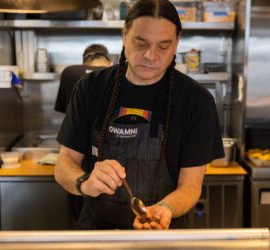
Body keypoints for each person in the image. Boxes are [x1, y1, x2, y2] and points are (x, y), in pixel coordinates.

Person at [55, 0, 224, 230]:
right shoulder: (90, 88)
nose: (150, 55)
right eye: (140, 42)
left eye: (163, 46)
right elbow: (64, 163)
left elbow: (190, 187)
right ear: (124, 36)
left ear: (176, 44)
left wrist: (165, 209)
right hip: (97, 233)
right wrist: (85, 182)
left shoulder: (196, 101)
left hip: (163, 234)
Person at [54, 44, 112, 113]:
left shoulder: (69, 72)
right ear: (110, 62)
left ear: (83, 63)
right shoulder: (116, 73)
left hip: (74, 123)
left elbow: (65, 111)